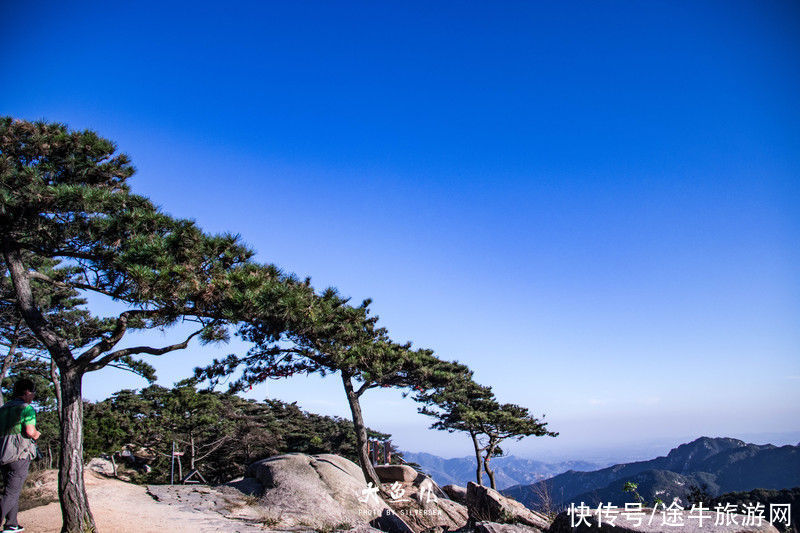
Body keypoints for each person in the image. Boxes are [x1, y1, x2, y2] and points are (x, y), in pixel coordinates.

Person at [0, 378, 40, 533]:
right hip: (19, 454)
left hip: (2, 454)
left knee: (10, 490)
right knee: (11, 492)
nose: (33, 396)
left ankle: (11, 524)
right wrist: (37, 434)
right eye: (33, 393)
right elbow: (30, 432)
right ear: (27, 392)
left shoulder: (2, 409)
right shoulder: (26, 408)